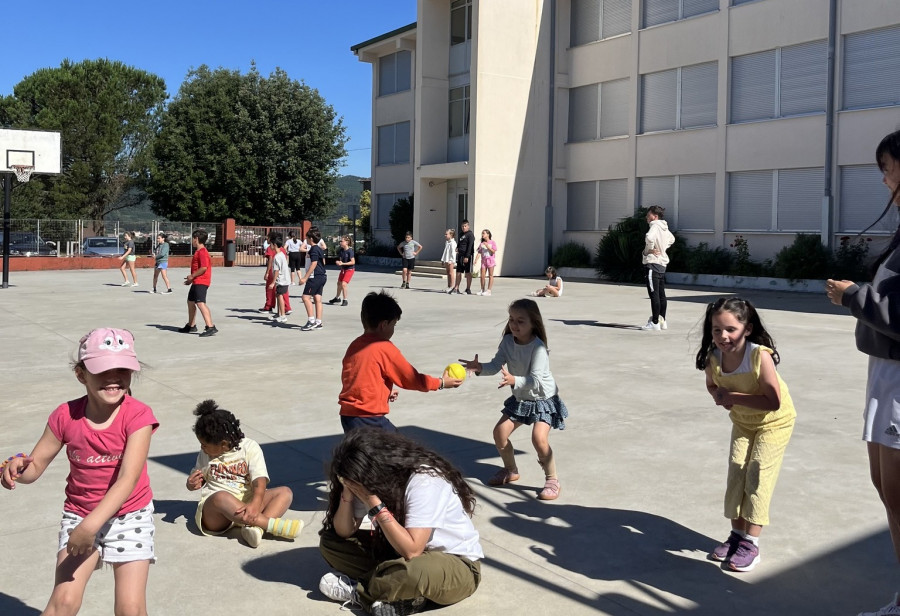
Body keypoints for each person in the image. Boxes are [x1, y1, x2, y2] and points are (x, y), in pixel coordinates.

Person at [1, 328, 158, 615]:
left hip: (129, 515)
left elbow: (127, 480)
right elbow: (34, 466)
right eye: (102, 370)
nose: (114, 377)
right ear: (81, 374)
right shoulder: (65, 415)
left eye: (123, 369)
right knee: (64, 602)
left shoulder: (138, 416)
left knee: (130, 608)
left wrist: (90, 527)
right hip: (80, 513)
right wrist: (17, 468)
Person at [826, 129, 900, 616]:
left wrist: (854, 295)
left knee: (897, 493)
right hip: (885, 369)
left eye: (887, 168)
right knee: (884, 484)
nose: (884, 179)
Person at [318, 429, 483, 616]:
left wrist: (374, 503)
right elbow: (344, 531)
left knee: (414, 571)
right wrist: (347, 492)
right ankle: (400, 591)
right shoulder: (369, 481)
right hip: (399, 554)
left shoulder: (425, 480)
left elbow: (412, 550)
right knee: (331, 542)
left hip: (455, 566)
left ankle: (360, 591)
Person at [695, 297, 796, 573]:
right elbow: (712, 386)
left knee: (758, 472)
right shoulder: (713, 358)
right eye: (717, 330)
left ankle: (751, 542)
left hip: (774, 422)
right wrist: (719, 396)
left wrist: (733, 396)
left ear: (747, 329)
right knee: (737, 474)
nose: (723, 336)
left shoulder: (758, 356)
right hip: (743, 422)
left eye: (730, 329)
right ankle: (737, 536)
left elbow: (772, 401)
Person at [461, 298, 568, 500]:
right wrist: (480, 368)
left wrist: (513, 380)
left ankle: (552, 479)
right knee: (499, 433)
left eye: (521, 321)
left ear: (533, 323)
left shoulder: (538, 348)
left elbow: (536, 380)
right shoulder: (508, 342)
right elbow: (495, 366)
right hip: (521, 398)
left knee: (539, 438)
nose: (514, 324)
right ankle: (511, 470)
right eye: (511, 319)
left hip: (543, 399)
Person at [338, 291, 463, 433]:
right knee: (401, 452)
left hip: (348, 417)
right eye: (394, 325)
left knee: (363, 454)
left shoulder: (355, 345)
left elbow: (354, 379)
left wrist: (382, 392)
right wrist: (440, 383)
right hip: (369, 418)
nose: (393, 329)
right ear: (384, 325)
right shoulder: (384, 348)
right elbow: (411, 378)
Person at [186, 399, 303, 548]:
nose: (202, 448)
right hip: (217, 515)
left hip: (247, 506)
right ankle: (270, 525)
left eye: (204, 445)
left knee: (285, 493)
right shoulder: (205, 454)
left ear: (223, 444)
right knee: (221, 497)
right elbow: (199, 477)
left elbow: (259, 480)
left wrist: (255, 503)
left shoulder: (249, 447)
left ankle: (255, 530)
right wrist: (191, 484)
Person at [641, 205, 675, 331]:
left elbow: (649, 237)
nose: (646, 217)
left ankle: (655, 322)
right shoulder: (664, 227)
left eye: (648, 214)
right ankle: (662, 321)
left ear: (655, 216)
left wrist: (650, 249)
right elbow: (672, 239)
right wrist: (663, 248)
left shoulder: (655, 225)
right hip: (661, 264)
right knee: (661, 294)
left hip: (653, 263)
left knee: (654, 294)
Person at [179, 229, 217, 337]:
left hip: (202, 281)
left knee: (200, 303)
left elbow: (204, 268)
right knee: (190, 302)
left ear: (196, 239)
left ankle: (210, 326)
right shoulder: (198, 252)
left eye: (192, 238)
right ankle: (191, 325)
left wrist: (192, 276)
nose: (192, 241)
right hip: (196, 281)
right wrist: (191, 280)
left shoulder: (202, 252)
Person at [299, 227, 327, 331]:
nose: (305, 239)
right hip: (322, 276)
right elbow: (322, 262)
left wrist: (305, 278)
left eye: (306, 237)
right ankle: (318, 322)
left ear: (311, 238)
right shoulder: (319, 249)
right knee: (317, 299)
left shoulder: (314, 249)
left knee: (305, 297)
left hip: (314, 277)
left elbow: (314, 263)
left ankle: (311, 321)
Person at [259, 232, 293, 316]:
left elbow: (270, 259)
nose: (267, 238)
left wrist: (267, 272)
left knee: (270, 289)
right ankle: (286, 308)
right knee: (283, 291)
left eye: (268, 237)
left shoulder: (270, 248)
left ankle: (269, 306)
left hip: (274, 270)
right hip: (283, 273)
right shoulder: (282, 249)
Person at [268, 233, 291, 324]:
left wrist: (273, 282)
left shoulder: (277, 257)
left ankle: (283, 316)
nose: (270, 246)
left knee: (280, 297)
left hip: (281, 281)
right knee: (278, 295)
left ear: (274, 245)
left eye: (271, 244)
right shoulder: (282, 254)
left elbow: (277, 271)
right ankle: (279, 314)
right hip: (285, 280)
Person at [328, 235, 356, 306]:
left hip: (349, 269)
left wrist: (343, 263)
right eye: (340, 241)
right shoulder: (341, 250)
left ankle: (345, 300)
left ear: (347, 242)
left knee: (343, 284)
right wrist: (338, 262)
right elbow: (340, 260)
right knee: (339, 283)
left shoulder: (350, 251)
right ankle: (337, 298)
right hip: (343, 269)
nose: (340, 242)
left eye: (342, 241)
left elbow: (353, 262)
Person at [452, 220, 475, 295]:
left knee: (467, 272)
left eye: (465, 226)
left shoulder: (470, 235)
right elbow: (460, 243)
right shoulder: (461, 234)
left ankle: (468, 289)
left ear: (468, 226)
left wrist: (467, 256)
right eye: (462, 226)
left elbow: (470, 246)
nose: (463, 228)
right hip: (460, 255)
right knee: (458, 272)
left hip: (467, 255)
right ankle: (456, 288)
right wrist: (457, 247)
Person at [474, 229, 498, 296]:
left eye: (484, 233)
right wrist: (476, 260)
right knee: (482, 276)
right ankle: (482, 289)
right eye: (482, 233)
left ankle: (489, 290)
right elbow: (479, 252)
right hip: (484, 261)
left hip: (490, 260)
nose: (482, 235)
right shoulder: (482, 244)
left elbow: (493, 251)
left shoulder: (492, 242)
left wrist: (487, 246)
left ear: (488, 234)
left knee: (490, 275)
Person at [441, 229, 457, 294]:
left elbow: (453, 252)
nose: (445, 235)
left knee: (451, 273)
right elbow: (445, 252)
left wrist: (451, 260)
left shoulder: (453, 243)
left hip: (450, 260)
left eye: (446, 234)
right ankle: (449, 286)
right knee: (448, 272)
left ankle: (452, 286)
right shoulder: (447, 242)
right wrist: (443, 260)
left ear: (451, 235)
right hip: (446, 259)